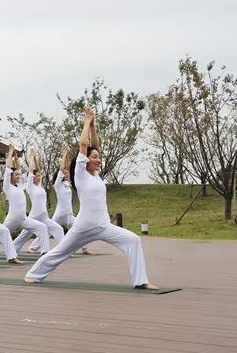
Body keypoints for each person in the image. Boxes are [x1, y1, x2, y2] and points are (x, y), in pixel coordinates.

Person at [25, 108, 158, 289]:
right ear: (85, 160)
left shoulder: (96, 176)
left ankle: (141, 281)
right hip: (84, 227)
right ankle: (34, 274)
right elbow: (83, 145)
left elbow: (95, 146)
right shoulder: (80, 175)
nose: (98, 159)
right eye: (94, 157)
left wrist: (93, 126)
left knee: (133, 240)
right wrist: (86, 123)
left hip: (104, 226)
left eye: (98, 157)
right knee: (60, 252)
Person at [0, 144, 50, 258]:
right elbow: (8, 169)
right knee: (0, 236)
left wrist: (15, 156)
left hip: (23, 218)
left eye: (19, 175)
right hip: (12, 219)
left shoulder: (19, 185)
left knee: (42, 227)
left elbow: (19, 168)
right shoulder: (7, 186)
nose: (18, 176)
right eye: (16, 175)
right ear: (10, 176)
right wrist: (10, 153)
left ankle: (45, 252)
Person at [28, 147, 90, 254]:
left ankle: (84, 248)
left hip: (68, 214)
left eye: (67, 173)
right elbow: (61, 169)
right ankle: (33, 246)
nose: (66, 174)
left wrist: (67, 156)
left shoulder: (67, 184)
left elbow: (67, 168)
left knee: (81, 226)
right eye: (64, 173)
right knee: (49, 230)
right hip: (60, 214)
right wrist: (63, 155)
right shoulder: (58, 185)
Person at [11, 149, 65, 252]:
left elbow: (38, 169)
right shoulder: (30, 186)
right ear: (33, 177)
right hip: (34, 216)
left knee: (58, 229)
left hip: (43, 216)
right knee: (24, 235)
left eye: (40, 176)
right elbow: (31, 171)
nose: (39, 177)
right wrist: (31, 157)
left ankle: (63, 250)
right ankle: (12, 249)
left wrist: (35, 158)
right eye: (37, 176)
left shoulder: (40, 186)